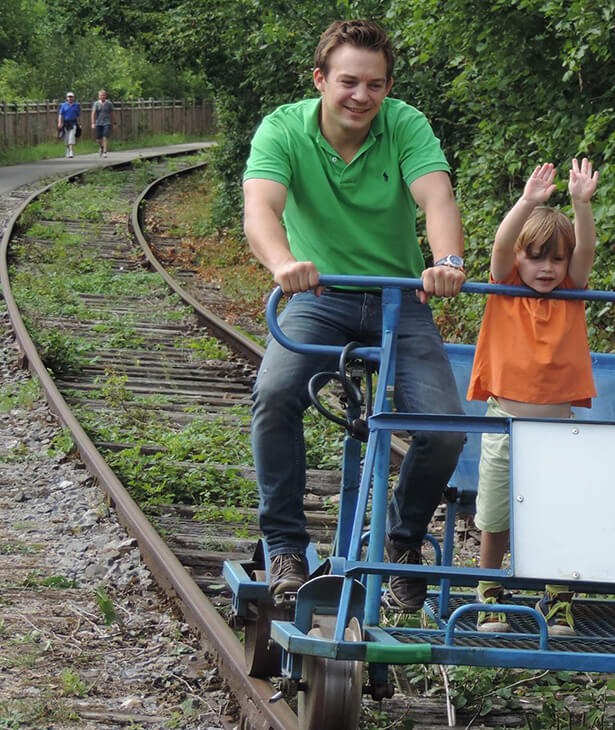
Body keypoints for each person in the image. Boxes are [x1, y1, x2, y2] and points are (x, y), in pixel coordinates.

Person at [241, 19, 467, 608]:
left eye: (374, 85)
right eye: (348, 82)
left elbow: (435, 194)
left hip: (399, 299)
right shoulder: (283, 129)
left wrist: (446, 259)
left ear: (387, 88)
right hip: (320, 297)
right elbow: (261, 207)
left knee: (446, 426)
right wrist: (283, 262)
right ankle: (285, 545)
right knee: (275, 393)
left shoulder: (405, 125)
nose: (360, 96)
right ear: (320, 80)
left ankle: (400, 543)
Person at [466, 159, 600, 636]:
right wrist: (526, 203)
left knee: (556, 512)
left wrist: (581, 203)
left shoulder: (570, 291)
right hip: (505, 421)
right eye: (536, 257)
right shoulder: (504, 288)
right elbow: (502, 247)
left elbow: (585, 251)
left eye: (556, 259)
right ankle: (488, 592)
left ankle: (558, 597)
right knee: (496, 514)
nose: (547, 268)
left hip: (557, 426)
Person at [91, 89, 115, 157]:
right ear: (99, 96)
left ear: (106, 96)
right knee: (98, 139)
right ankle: (101, 147)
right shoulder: (96, 103)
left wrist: (113, 122)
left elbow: (112, 113)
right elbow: (93, 113)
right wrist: (93, 123)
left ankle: (105, 152)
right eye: (101, 95)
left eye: (104, 95)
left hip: (106, 122)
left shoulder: (109, 103)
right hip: (98, 122)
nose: (102, 96)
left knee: (105, 136)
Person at [57, 92, 81, 158]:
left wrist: (79, 123)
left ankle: (71, 152)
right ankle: (68, 149)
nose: (70, 98)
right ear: (67, 98)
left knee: (71, 137)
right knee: (67, 138)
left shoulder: (76, 105)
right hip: (66, 123)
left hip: (73, 123)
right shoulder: (64, 105)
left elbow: (78, 115)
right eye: (69, 97)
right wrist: (59, 122)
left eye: (71, 97)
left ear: (73, 97)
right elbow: (60, 114)